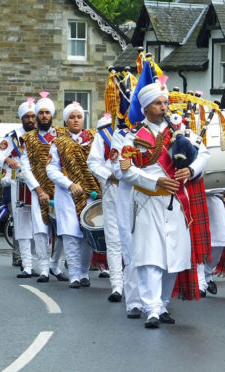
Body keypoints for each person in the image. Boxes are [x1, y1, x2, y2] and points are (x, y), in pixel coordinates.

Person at [118, 79, 210, 328]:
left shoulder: (179, 131)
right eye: (158, 104)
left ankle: (163, 304)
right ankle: (151, 309)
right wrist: (155, 181)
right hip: (149, 202)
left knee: (174, 257)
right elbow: (126, 171)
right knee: (151, 257)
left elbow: (204, 154)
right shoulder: (134, 138)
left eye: (165, 103)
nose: (164, 107)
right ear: (146, 108)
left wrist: (190, 170)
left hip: (177, 203)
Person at [47, 102, 101, 288]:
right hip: (67, 195)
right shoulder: (58, 143)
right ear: (66, 120)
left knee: (87, 233)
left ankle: (84, 272)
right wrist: (69, 184)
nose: (76, 120)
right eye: (72, 117)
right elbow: (51, 169)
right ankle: (74, 275)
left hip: (90, 194)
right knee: (70, 235)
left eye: (79, 117)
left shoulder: (94, 139)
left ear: (83, 119)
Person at [21, 92, 67, 283]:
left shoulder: (62, 135)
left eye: (47, 112)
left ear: (52, 115)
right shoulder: (27, 138)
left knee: (62, 230)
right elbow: (25, 167)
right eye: (41, 113)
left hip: (60, 190)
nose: (44, 116)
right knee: (40, 231)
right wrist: (38, 190)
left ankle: (55, 264)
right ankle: (43, 269)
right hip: (38, 191)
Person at [0, 99, 39, 273]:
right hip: (17, 185)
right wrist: (6, 159)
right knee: (22, 224)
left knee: (39, 226)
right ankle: (22, 259)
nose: (31, 120)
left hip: (40, 185)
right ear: (21, 118)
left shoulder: (44, 135)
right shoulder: (12, 137)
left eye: (34, 116)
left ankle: (41, 261)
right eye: (27, 117)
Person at [88, 113, 124, 300]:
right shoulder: (105, 133)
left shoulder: (144, 128)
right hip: (114, 189)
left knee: (138, 239)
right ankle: (117, 285)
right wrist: (109, 176)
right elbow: (93, 162)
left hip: (141, 190)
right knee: (114, 238)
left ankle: (137, 286)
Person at [110, 119, 143, 319]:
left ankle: (156, 303)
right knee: (131, 248)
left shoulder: (166, 132)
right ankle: (134, 301)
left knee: (154, 248)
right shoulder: (121, 136)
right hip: (130, 195)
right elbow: (117, 169)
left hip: (157, 196)